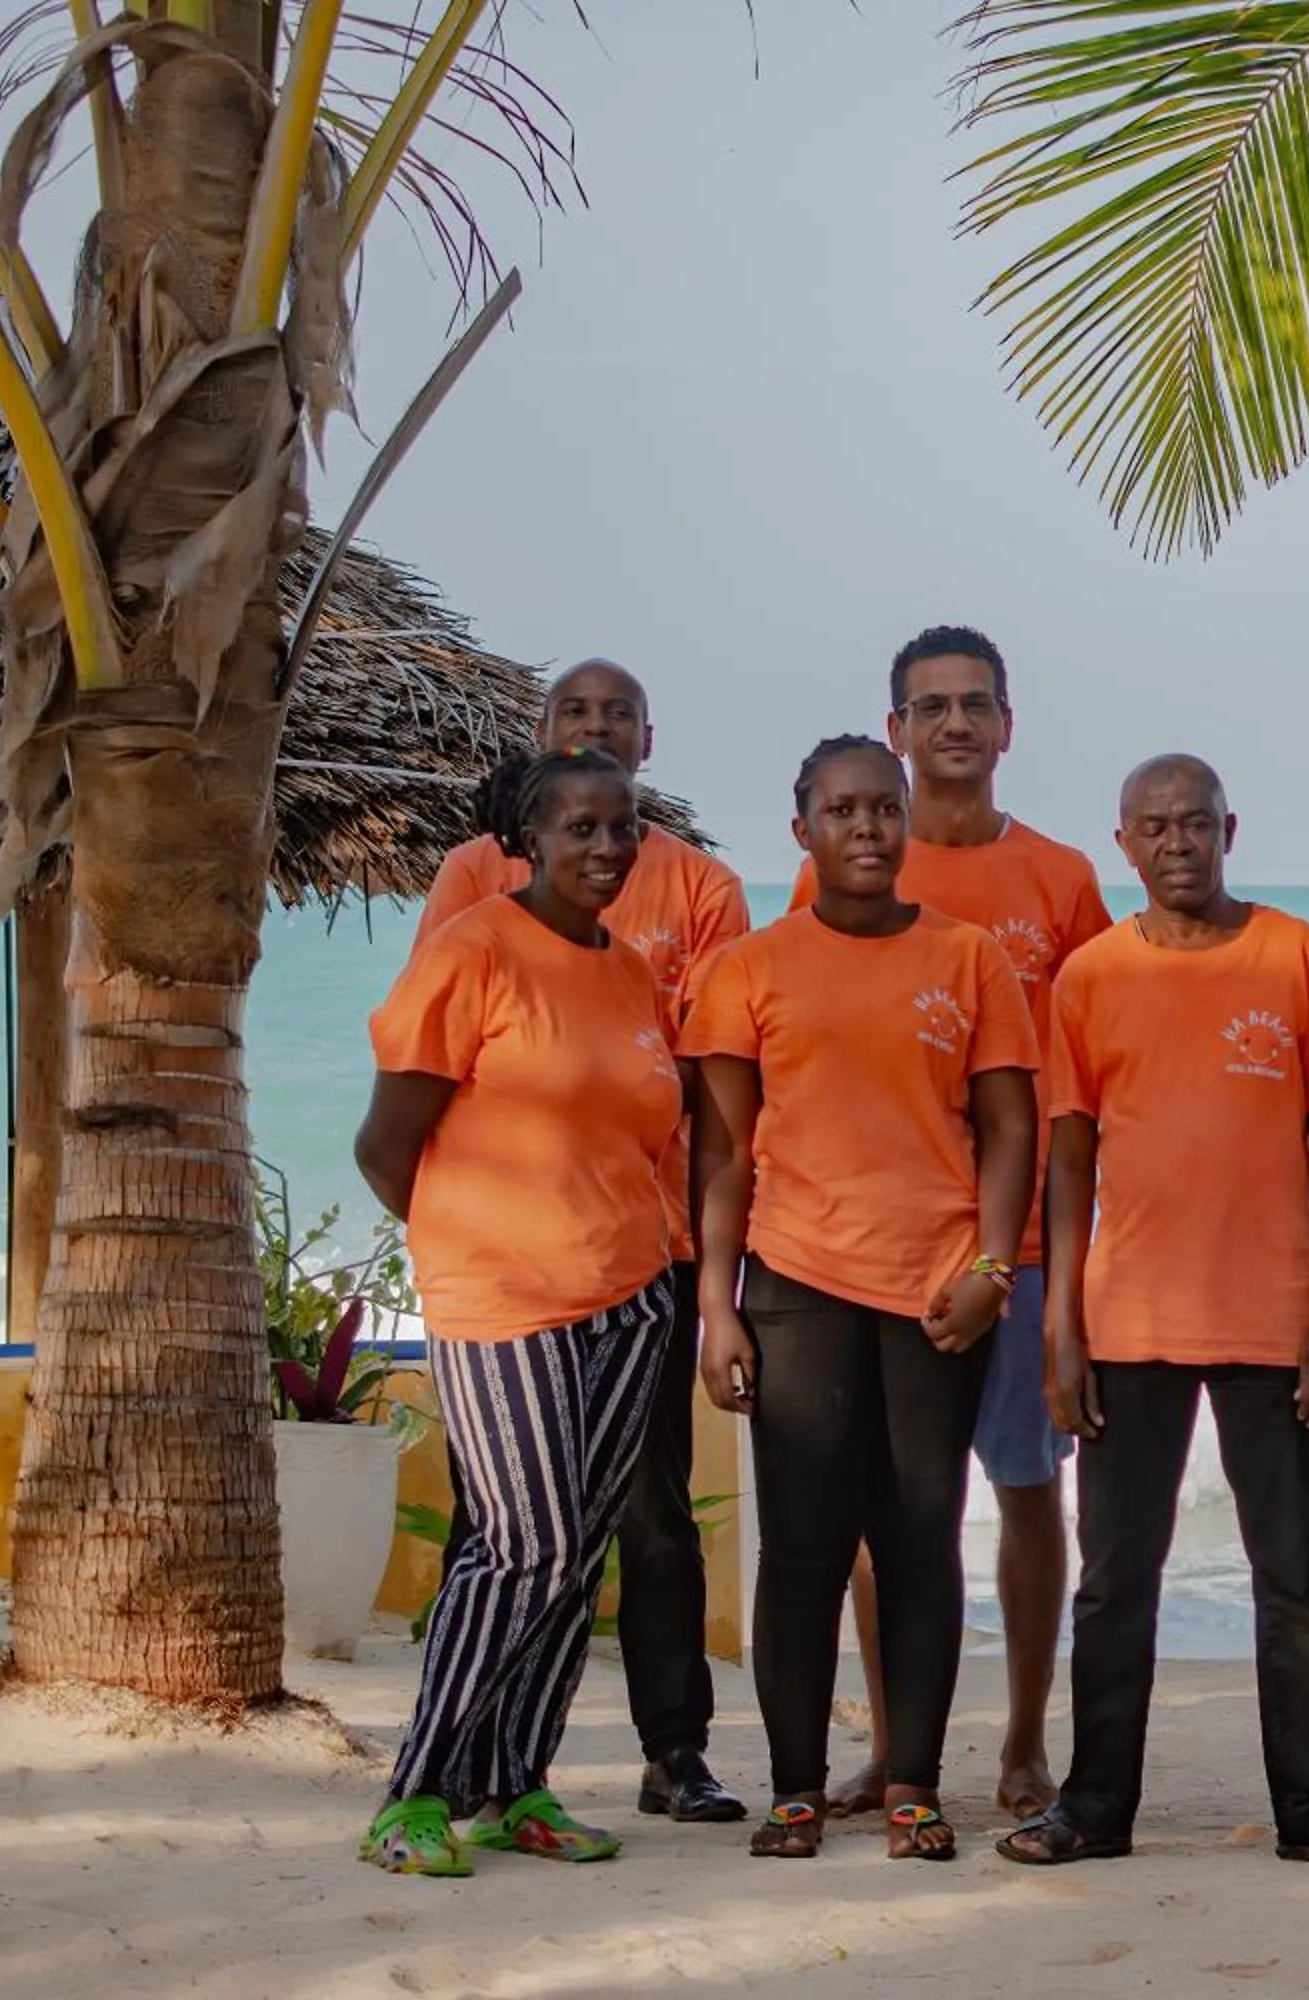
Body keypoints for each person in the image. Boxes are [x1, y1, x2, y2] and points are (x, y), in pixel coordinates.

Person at [997, 755, 1309, 1881]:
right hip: (1129, 1320)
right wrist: (1062, 1327)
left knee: (1294, 1575)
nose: (1178, 842)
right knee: (1116, 1578)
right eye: (1155, 826)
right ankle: (1096, 1801)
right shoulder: (1089, 978)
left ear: (1231, 828)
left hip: (1277, 1318)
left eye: (1197, 823)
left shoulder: (1295, 957)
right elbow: (1068, 1159)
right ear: (1124, 843)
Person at [686, 735, 1040, 1864]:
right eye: (843, 811)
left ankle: (913, 1782)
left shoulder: (970, 957)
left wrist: (991, 1270)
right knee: (800, 1547)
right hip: (795, 1284)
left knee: (920, 1539)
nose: (870, 829)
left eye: (884, 809)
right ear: (803, 832)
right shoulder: (749, 969)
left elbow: (1008, 1129)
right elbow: (724, 1153)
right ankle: (794, 1787)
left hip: (936, 1295)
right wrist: (718, 1301)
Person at [415, 659, 751, 1826]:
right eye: (573, 713)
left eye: (615, 718)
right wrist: (462, 1229)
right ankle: (451, 1767)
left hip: (645, 1256)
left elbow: (712, 1080)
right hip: (509, 1275)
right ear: (538, 747)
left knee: (653, 1512)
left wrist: (709, 1270)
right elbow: (419, 1083)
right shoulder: (474, 883)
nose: (594, 726)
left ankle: (667, 1754)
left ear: (646, 748)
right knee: (507, 1527)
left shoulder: (699, 887)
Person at [787, 626, 1110, 1822]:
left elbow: (1079, 1090)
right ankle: (899, 1742)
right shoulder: (861, 864)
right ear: (898, 731)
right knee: (886, 1509)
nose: (956, 724)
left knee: (1029, 1488)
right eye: (931, 707)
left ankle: (1024, 1739)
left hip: (1018, 1248)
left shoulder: (1063, 879)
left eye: (977, 704)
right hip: (878, 1252)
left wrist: (1060, 1267)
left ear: (1009, 727)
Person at [353, 748, 688, 1875]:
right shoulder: (474, 950)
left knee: (577, 1548)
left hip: (631, 1298)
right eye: (582, 827)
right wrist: (470, 1240)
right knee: (523, 1542)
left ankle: (515, 1782)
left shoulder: (635, 973)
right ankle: (415, 1792)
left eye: (623, 826)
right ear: (531, 838)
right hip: (499, 1303)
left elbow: (641, 1135)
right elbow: (386, 1143)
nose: (606, 847)